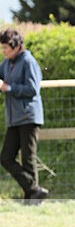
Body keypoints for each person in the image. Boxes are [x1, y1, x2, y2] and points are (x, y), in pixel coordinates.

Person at [0, 28, 48, 200]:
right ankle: (35, 191)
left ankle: (32, 195)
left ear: (17, 46)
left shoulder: (28, 62)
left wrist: (9, 88)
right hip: (14, 119)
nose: (3, 51)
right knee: (6, 157)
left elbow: (33, 89)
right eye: (2, 48)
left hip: (28, 116)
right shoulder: (6, 63)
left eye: (6, 48)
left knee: (28, 159)